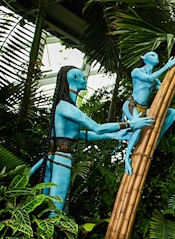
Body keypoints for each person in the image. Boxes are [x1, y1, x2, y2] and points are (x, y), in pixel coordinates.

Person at [29, 66, 153, 214]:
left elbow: (80, 135)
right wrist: (131, 124)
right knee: (55, 209)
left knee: (47, 206)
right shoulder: (66, 107)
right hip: (61, 159)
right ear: (73, 78)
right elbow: (97, 128)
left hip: (55, 158)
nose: (84, 79)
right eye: (81, 76)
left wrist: (114, 135)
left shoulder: (63, 106)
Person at [122, 51, 175, 175]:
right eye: (153, 55)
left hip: (144, 109)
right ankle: (126, 158)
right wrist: (167, 66)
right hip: (132, 105)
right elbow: (149, 78)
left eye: (157, 55)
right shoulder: (137, 72)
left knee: (173, 113)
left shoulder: (155, 80)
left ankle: (157, 138)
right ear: (144, 58)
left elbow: (165, 88)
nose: (157, 57)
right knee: (138, 128)